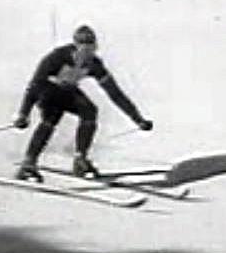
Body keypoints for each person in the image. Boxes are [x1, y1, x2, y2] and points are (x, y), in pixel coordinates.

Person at [12, 25, 153, 182]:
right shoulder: (57, 57)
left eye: (91, 51)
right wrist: (23, 114)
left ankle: (80, 159)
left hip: (69, 92)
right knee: (52, 117)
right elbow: (34, 86)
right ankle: (29, 163)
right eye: (83, 51)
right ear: (75, 47)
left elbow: (115, 94)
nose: (86, 57)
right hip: (47, 90)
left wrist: (138, 119)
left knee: (90, 111)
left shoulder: (94, 64)